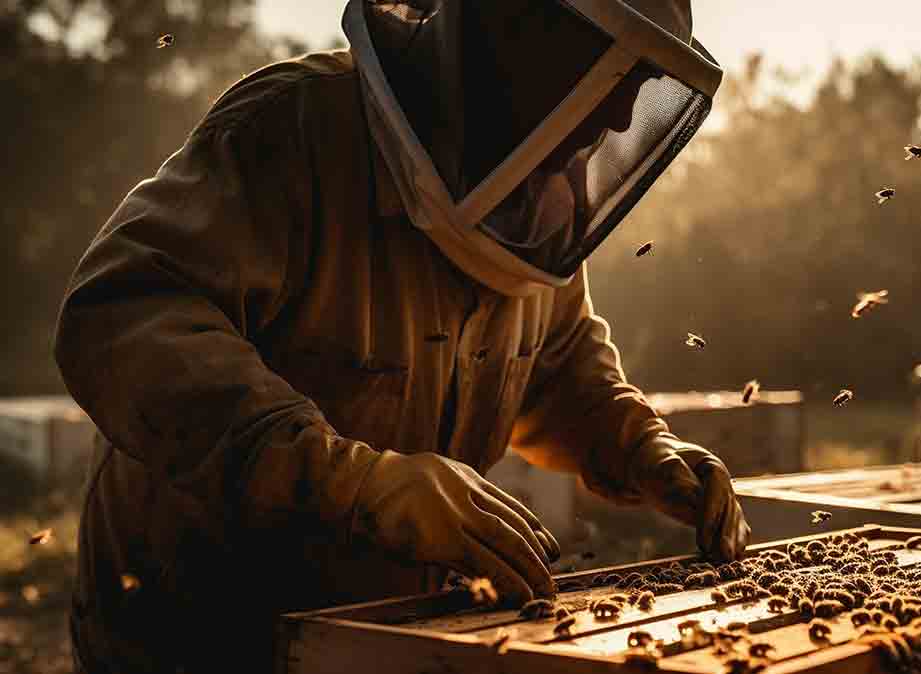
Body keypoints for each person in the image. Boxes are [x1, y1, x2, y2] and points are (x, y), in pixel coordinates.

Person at [54, 1, 750, 672]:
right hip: (197, 639)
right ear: (518, 30)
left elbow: (558, 370)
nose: (622, 114)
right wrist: (354, 485)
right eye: (611, 71)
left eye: (639, 82)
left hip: (381, 639)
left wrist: (638, 445)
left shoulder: (547, 204)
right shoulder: (296, 131)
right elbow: (123, 316)